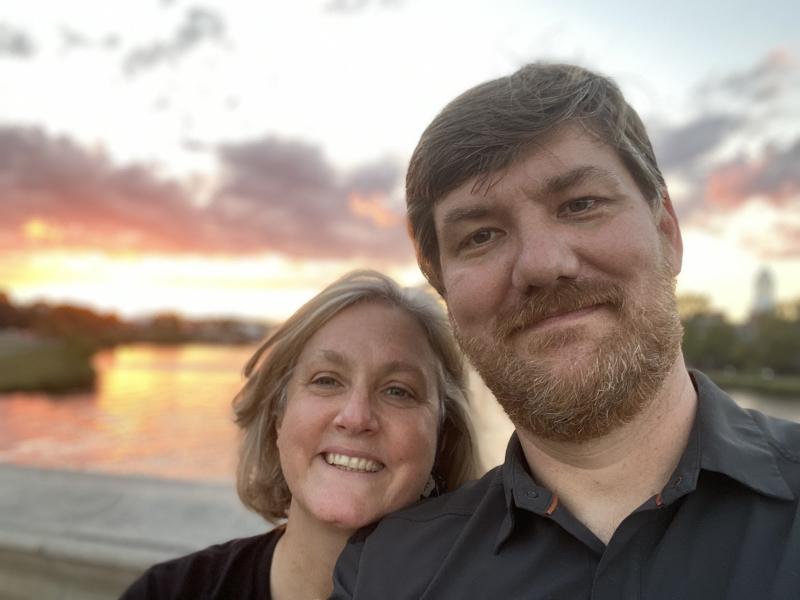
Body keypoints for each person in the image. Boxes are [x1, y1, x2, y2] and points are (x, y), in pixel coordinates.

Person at [332, 63, 800, 599]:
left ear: (667, 232)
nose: (542, 264)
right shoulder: (384, 574)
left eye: (581, 205)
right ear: (445, 293)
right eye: (481, 235)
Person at [121, 270, 479, 599]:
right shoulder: (168, 593)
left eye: (398, 390)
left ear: (442, 435)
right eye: (326, 380)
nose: (355, 417)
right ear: (279, 417)